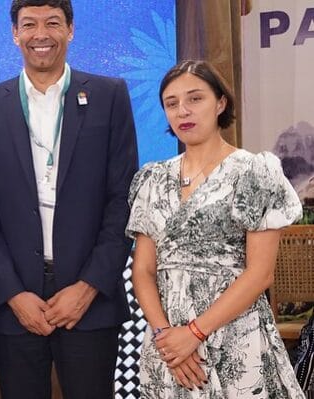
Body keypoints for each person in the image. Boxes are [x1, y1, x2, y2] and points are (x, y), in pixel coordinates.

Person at [0, 0, 138, 397]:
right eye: (29, 25)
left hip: (88, 301)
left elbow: (123, 200)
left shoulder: (109, 95)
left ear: (71, 30)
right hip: (15, 302)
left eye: (52, 23)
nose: (41, 34)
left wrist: (89, 286)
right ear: (15, 34)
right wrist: (12, 293)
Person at [127, 60, 306, 398]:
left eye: (195, 99)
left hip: (234, 335)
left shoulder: (254, 171)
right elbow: (143, 270)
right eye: (172, 103)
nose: (183, 111)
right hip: (168, 346)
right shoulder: (151, 178)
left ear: (221, 103)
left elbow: (260, 274)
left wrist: (194, 333)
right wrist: (168, 339)